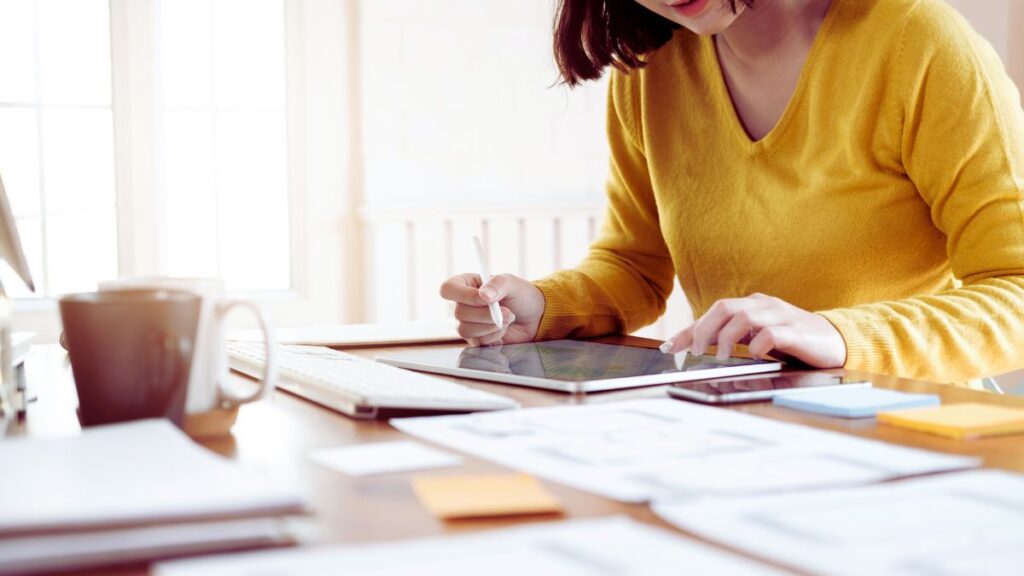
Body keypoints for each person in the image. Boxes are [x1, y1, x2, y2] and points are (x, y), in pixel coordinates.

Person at [439, 0, 1024, 385]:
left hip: (903, 429)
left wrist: (840, 334)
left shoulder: (919, 44)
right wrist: (541, 307)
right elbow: (633, 269)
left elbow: (1016, 292)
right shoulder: (651, 69)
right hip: (737, 421)